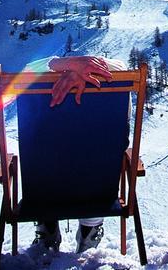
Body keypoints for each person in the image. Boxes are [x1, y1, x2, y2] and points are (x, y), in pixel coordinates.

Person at [28, 54, 127, 255]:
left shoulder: (32, 74)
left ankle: (46, 228)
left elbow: (25, 71)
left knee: (43, 145)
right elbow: (121, 68)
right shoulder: (121, 74)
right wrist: (84, 68)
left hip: (43, 196)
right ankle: (91, 229)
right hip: (99, 194)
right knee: (107, 140)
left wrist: (63, 65)